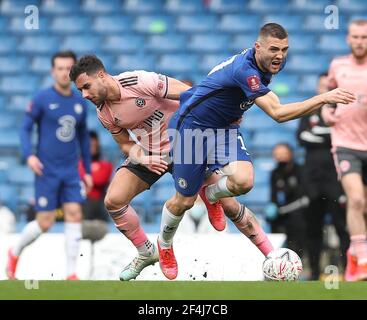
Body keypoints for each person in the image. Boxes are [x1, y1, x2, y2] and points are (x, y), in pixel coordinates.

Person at [156, 23, 356, 280]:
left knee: (244, 181)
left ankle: (211, 194)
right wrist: (323, 98)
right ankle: (164, 244)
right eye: (274, 49)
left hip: (223, 129)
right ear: (257, 47)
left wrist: (233, 110)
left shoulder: (265, 64)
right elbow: (278, 113)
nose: (280, 55)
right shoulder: (246, 70)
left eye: (284, 50)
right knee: (183, 200)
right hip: (191, 130)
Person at [69, 55, 274, 281]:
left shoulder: (139, 81)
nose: (84, 95)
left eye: (86, 87)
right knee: (113, 200)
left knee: (231, 206)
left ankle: (272, 256)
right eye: (80, 91)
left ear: (101, 75)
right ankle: (147, 252)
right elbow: (126, 144)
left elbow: (195, 93)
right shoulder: (103, 112)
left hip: (185, 144)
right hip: (151, 153)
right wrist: (144, 158)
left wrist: (223, 113)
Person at [6, 51, 93, 280]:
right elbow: (25, 128)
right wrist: (29, 156)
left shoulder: (80, 101)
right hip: (47, 170)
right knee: (45, 221)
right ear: (53, 71)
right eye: (60, 68)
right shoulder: (42, 98)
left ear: (74, 72)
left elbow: (83, 138)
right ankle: (14, 252)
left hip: (71, 170)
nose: (65, 73)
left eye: (68, 68)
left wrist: (88, 169)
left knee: (74, 214)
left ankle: (71, 273)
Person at [321, 20, 367, 281]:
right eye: (356, 37)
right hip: (346, 144)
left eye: (364, 37)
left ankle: (354, 254)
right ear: (349, 39)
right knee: (356, 200)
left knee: (364, 206)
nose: (360, 41)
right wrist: (326, 112)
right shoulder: (338, 66)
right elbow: (328, 97)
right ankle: (361, 260)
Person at [297, 73, 349, 280]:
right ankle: (314, 272)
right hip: (312, 180)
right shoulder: (308, 108)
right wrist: (329, 134)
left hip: (337, 178)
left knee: (342, 227)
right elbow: (302, 137)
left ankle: (349, 271)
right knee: (312, 228)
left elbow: (344, 136)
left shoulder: (343, 110)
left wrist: (318, 133)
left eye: (329, 86)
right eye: (322, 85)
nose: (325, 89)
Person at [268, 143, 307, 258]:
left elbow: (303, 198)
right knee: (272, 220)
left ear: (290, 154)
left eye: (283, 154)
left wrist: (283, 210)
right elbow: (273, 196)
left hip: (299, 212)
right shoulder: (275, 173)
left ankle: (299, 260)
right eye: (277, 155)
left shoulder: (300, 170)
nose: (280, 157)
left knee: (298, 223)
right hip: (281, 212)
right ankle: (276, 260)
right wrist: (273, 208)